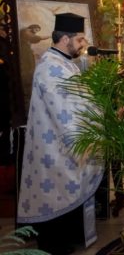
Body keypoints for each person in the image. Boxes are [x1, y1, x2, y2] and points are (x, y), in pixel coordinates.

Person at [17, 13, 104, 254]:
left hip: (60, 142)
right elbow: (64, 109)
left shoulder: (65, 64)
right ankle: (52, 244)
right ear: (65, 39)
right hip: (54, 145)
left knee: (63, 190)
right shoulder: (50, 67)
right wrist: (94, 122)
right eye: (80, 39)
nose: (83, 44)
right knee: (55, 190)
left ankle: (65, 238)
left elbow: (79, 99)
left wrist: (100, 111)